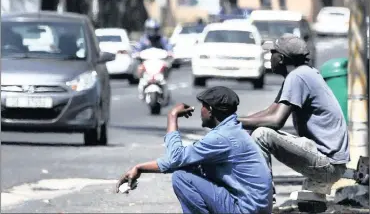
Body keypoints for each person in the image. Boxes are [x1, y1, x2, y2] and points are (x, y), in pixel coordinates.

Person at [116, 86, 273, 214]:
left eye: (203, 106)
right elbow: (183, 160)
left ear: (210, 109)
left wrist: (172, 116)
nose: (201, 111)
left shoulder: (221, 138)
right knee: (192, 167)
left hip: (245, 209)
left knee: (181, 177)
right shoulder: (233, 131)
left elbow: (175, 159)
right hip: (254, 207)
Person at [238, 33, 349, 204]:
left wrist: (235, 122)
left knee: (262, 134)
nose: (270, 58)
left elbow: (276, 120)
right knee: (255, 126)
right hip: (327, 161)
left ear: (281, 58)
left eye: (272, 54)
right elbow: (269, 111)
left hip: (327, 164)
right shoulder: (302, 74)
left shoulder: (298, 77)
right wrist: (235, 120)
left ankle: (265, 200)